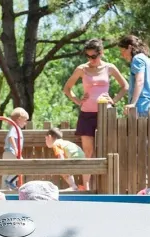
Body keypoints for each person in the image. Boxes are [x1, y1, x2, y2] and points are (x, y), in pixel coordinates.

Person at [63, 38, 128, 188]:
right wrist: (78, 101)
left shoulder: (109, 67)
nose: (91, 59)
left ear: (101, 53)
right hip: (87, 113)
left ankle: (109, 185)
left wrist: (114, 100)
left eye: (94, 56)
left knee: (108, 149)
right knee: (88, 151)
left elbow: (125, 86)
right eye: (88, 56)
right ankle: (86, 187)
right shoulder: (82, 69)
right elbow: (67, 88)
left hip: (105, 114)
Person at [117, 35, 150, 117]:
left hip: (141, 107)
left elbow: (139, 81)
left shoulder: (137, 59)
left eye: (123, 51)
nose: (122, 55)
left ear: (129, 48)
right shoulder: (148, 60)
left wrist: (132, 104)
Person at [3, 107, 29, 190]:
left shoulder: (16, 128)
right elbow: (11, 137)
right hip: (11, 152)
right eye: (25, 121)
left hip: (10, 152)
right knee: (22, 166)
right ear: (19, 119)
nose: (25, 123)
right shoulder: (15, 127)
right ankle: (9, 181)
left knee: (15, 169)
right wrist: (16, 149)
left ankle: (9, 185)